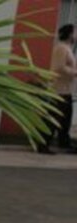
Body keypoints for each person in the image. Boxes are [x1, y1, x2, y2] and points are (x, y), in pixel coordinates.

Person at [49, 24, 76, 153]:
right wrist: (74, 72)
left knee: (66, 119)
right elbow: (59, 68)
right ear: (70, 34)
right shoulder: (61, 48)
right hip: (59, 90)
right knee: (55, 118)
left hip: (66, 89)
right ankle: (44, 144)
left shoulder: (68, 48)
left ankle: (64, 143)